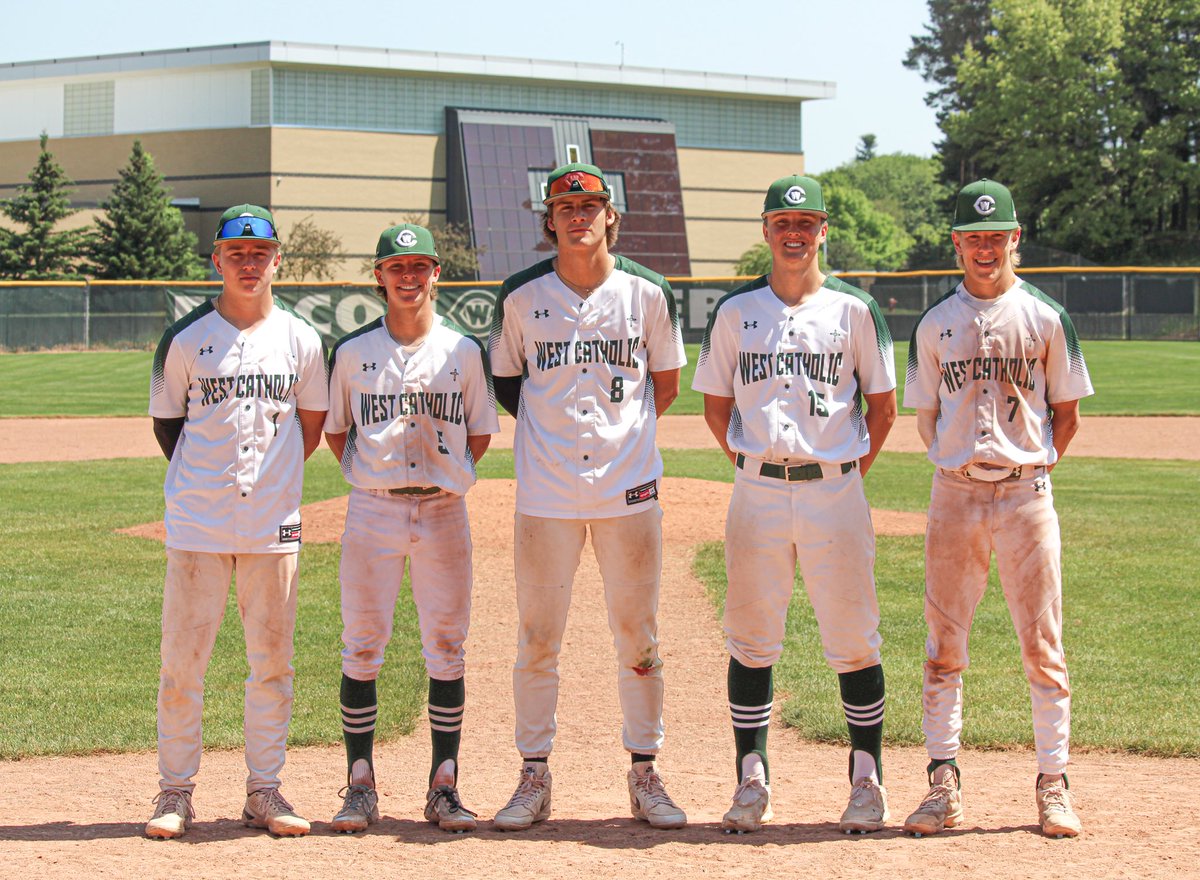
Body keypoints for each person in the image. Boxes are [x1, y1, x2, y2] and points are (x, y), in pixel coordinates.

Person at [691, 175, 897, 834]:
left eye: (806, 222)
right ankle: (752, 778)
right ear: (766, 230)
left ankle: (867, 780)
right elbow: (715, 406)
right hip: (756, 490)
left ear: (823, 229)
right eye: (784, 221)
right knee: (751, 637)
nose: (795, 232)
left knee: (854, 636)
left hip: (834, 489)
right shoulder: (735, 312)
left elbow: (884, 407)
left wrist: (839, 471)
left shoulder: (854, 310)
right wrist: (755, 469)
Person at [487, 162, 688, 831]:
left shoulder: (648, 293)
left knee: (639, 635)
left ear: (610, 216)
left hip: (628, 492)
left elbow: (665, 383)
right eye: (566, 208)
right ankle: (534, 775)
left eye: (592, 206)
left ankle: (644, 771)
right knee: (538, 638)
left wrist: (618, 445)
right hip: (546, 494)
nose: (579, 216)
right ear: (550, 221)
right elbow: (510, 387)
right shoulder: (520, 297)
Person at [901, 179, 1092, 839]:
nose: (985, 249)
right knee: (942, 645)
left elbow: (1066, 415)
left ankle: (1053, 784)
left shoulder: (1044, 317)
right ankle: (942, 786)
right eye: (973, 237)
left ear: (1016, 239)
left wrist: (1030, 470)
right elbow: (925, 420)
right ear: (956, 244)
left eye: (996, 236)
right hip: (953, 496)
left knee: (1043, 646)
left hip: (1025, 496)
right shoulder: (933, 325)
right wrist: (961, 468)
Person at [145, 204, 329, 839]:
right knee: (182, 663)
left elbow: (309, 428)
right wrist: (210, 485)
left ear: (278, 259)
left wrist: (268, 485)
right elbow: (170, 426)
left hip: (273, 523)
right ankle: (175, 792)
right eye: (236, 253)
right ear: (216, 260)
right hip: (198, 522)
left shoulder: (302, 339)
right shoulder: (187, 339)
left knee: (273, 661)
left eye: (261, 253)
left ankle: (265, 790)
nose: (249, 263)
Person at [323, 224, 499, 834]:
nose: (408, 277)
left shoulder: (464, 351)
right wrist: (370, 476)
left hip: (445, 510)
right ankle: (359, 785)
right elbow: (336, 430)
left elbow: (479, 432)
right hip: (372, 510)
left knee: (446, 648)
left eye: (419, 266)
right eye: (397, 267)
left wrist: (448, 476)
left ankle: (444, 786)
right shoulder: (350, 352)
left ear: (435, 274)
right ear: (379, 275)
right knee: (362, 645)